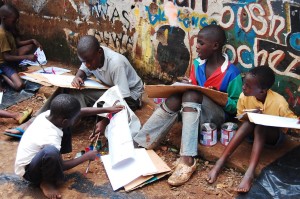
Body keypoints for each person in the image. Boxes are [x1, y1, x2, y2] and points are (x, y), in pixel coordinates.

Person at [133, 24, 243, 186]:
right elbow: (193, 89)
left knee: (191, 94)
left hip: (214, 121)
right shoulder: (198, 64)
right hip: (192, 114)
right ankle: (141, 142)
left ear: (215, 46)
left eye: (201, 43)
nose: (196, 46)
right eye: (197, 42)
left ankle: (187, 159)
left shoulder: (232, 73)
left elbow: (237, 109)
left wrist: (216, 96)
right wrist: (188, 84)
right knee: (177, 96)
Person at [5, 35, 143, 135]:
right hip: (110, 88)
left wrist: (106, 120)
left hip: (130, 97)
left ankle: (61, 126)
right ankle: (34, 121)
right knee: (65, 89)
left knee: (78, 94)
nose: (88, 65)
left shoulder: (116, 64)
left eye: (89, 61)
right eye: (84, 61)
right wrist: (78, 77)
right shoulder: (92, 54)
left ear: (99, 53)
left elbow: (125, 100)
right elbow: (83, 69)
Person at [207, 65, 298, 193]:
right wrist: (251, 115)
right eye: (244, 83)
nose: (244, 87)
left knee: (261, 125)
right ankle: (220, 162)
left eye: (249, 86)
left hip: (272, 137)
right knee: (249, 123)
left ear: (262, 91)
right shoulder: (244, 96)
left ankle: (249, 174)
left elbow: (291, 121)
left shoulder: (279, 102)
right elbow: (240, 117)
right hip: (251, 136)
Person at [15, 94, 123, 199]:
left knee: (63, 132)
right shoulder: (50, 137)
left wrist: (108, 109)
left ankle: (55, 159)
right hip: (29, 172)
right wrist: (86, 156)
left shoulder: (49, 115)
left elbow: (80, 112)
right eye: (74, 118)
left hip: (39, 156)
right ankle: (46, 182)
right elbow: (62, 167)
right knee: (51, 152)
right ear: (64, 120)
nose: (77, 119)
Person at [0, 4, 42, 91]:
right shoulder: (2, 34)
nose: (15, 23)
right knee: (19, 85)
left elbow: (17, 43)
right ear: (4, 19)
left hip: (12, 54)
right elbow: (6, 57)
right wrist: (27, 57)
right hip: (4, 63)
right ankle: (2, 75)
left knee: (31, 46)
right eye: (13, 21)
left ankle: (15, 68)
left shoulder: (9, 28)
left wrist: (32, 40)